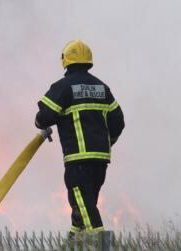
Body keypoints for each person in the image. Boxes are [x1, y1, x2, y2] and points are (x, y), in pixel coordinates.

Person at [35, 40, 124, 235]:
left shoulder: (63, 87)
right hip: (101, 159)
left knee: (83, 201)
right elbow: (118, 121)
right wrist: (108, 143)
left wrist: (40, 123)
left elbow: (45, 116)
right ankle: (73, 243)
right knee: (85, 201)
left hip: (78, 159)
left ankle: (102, 246)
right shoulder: (102, 87)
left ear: (65, 61)